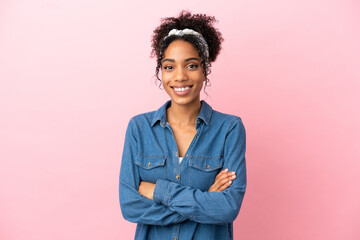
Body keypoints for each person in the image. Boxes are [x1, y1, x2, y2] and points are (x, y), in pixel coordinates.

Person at [119, 10, 247, 240]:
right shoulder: (139, 128)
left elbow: (228, 207)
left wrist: (158, 190)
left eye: (191, 65)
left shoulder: (229, 129)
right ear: (161, 72)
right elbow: (130, 206)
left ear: (205, 70)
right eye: (169, 67)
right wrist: (205, 198)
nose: (179, 77)